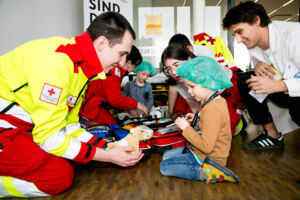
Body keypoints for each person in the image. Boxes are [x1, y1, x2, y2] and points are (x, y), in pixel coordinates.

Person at [0, 12, 144, 198]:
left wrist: (108, 148)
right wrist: (107, 155)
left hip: (15, 125)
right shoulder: (58, 63)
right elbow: (48, 138)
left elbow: (70, 127)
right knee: (58, 176)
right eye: (121, 54)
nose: (123, 63)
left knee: (77, 158)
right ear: (101, 44)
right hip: (6, 125)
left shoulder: (80, 68)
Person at [223, 1, 300, 149]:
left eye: (240, 32)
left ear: (256, 20)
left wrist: (278, 85)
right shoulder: (253, 44)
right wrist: (257, 66)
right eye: (234, 35)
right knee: (246, 80)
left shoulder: (295, 35)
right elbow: (270, 66)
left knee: (298, 109)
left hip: (295, 94)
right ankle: (272, 135)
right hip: (284, 91)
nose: (238, 40)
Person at [160, 56, 239, 183]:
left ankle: (207, 172)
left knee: (165, 166)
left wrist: (185, 128)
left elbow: (206, 146)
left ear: (207, 82)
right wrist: (196, 120)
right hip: (202, 153)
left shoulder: (212, 109)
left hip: (209, 159)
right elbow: (210, 128)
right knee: (166, 156)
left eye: (192, 87)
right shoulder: (213, 100)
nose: (189, 91)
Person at [80, 45, 148, 125]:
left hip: (93, 105)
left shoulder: (116, 70)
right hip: (90, 108)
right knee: (114, 128)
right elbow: (115, 99)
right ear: (129, 63)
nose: (134, 70)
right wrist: (136, 104)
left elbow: (110, 96)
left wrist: (129, 108)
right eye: (135, 66)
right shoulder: (115, 71)